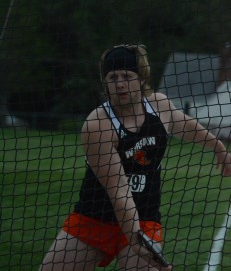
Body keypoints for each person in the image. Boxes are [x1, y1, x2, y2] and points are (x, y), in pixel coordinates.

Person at [39, 44, 231, 271]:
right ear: (105, 82)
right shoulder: (97, 124)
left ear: (141, 79)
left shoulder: (158, 106)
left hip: (145, 218)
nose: (120, 83)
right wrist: (137, 239)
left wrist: (218, 148)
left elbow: (187, 126)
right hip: (94, 219)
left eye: (127, 76)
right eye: (113, 77)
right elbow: (119, 192)